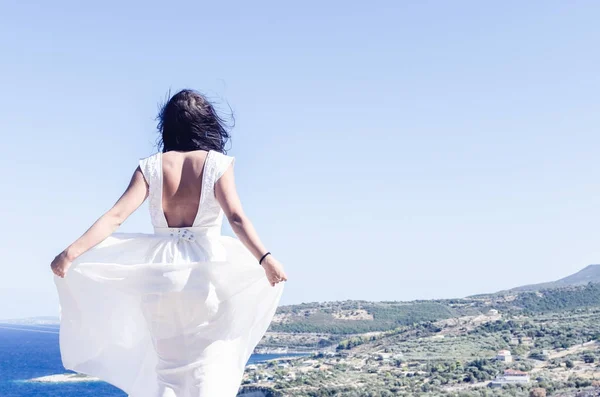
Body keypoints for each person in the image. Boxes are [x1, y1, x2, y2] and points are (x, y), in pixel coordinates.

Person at [50, 89, 288, 397]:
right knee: (207, 364)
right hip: (203, 275)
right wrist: (265, 258)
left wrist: (71, 253)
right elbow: (237, 218)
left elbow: (115, 216)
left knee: (167, 369)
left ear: (169, 126)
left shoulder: (151, 166)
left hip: (159, 276)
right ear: (206, 124)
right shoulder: (217, 164)